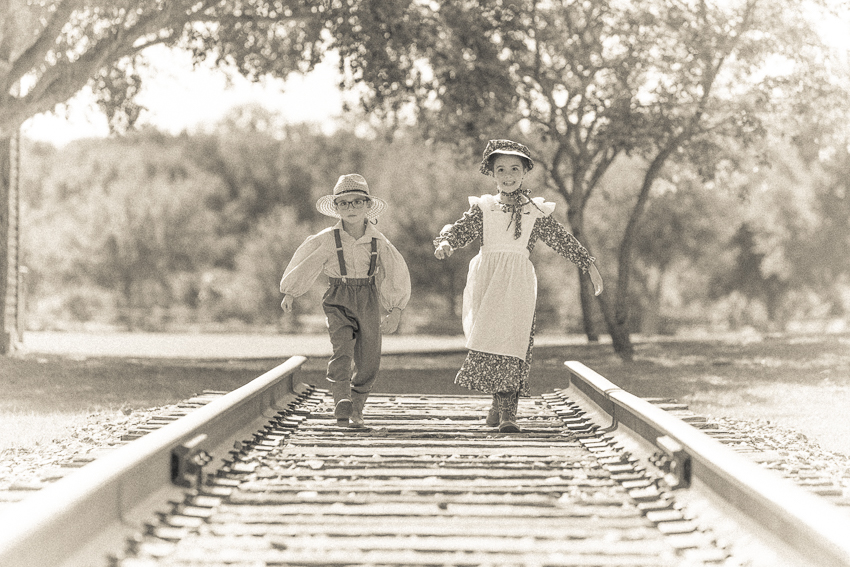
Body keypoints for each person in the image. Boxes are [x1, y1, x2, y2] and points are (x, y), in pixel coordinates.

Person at [434, 140, 603, 433]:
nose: (508, 175)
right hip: (488, 280)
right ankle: (497, 403)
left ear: (525, 172)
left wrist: (588, 264)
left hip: (518, 284)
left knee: (513, 343)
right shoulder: (485, 208)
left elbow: (561, 238)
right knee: (491, 342)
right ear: (491, 173)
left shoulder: (535, 211)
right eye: (501, 169)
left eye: (515, 169)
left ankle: (508, 413)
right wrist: (446, 242)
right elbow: (460, 230)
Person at [281, 174, 411, 428]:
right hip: (338, 297)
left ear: (367, 205)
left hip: (368, 298)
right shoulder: (327, 238)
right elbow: (306, 262)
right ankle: (342, 399)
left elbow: (395, 273)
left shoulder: (378, 241)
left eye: (357, 202)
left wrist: (395, 309)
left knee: (369, 357)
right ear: (336, 208)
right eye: (344, 203)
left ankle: (357, 406)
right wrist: (291, 291)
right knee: (341, 349)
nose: (351, 208)